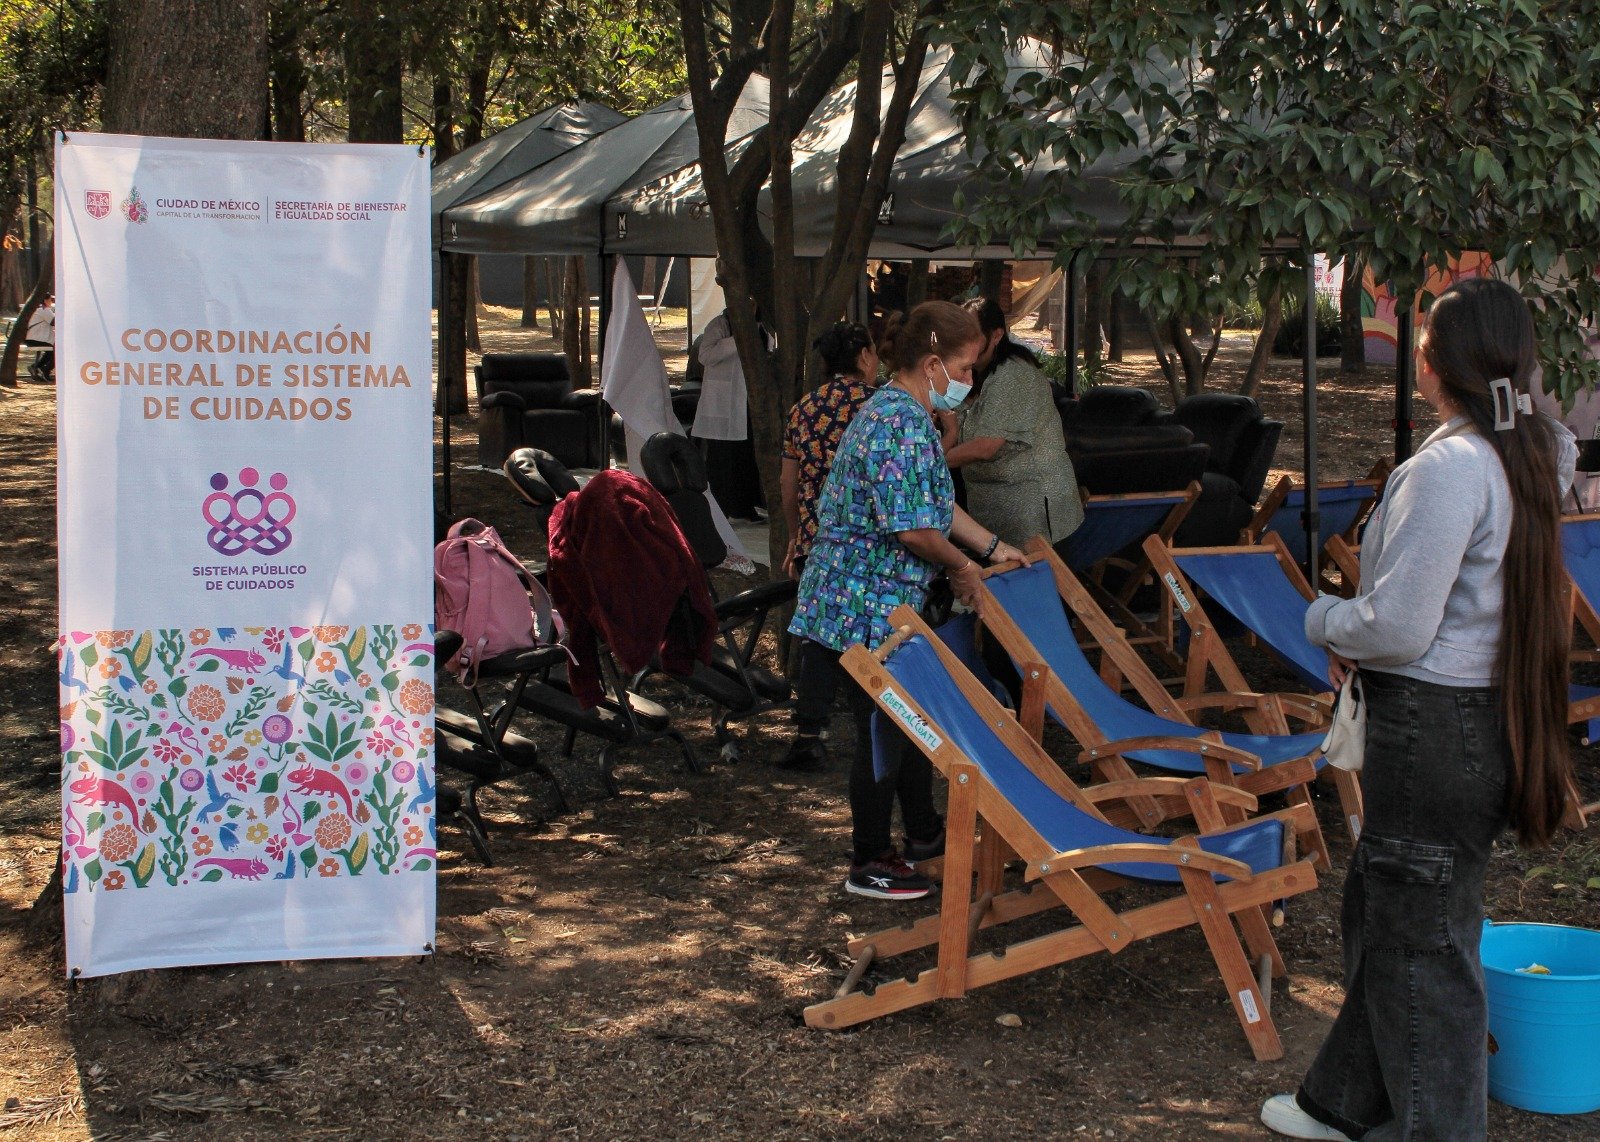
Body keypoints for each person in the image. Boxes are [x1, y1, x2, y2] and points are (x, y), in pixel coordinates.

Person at [1261, 278, 1578, 1141]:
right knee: (1391, 907)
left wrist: (1323, 616)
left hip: (1433, 726)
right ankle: (1343, 1101)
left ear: (1434, 363)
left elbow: (1397, 627)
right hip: (1489, 719)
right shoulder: (1542, 448)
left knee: (1422, 945)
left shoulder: (1448, 468)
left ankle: (1440, 1130)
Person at [788, 301, 1029, 900]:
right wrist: (967, 568)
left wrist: (995, 549)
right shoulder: (898, 421)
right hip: (858, 605)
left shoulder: (907, 415)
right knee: (884, 732)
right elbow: (913, 530)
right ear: (932, 364)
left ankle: (923, 838)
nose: (970, 383)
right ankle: (869, 859)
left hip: (874, 601)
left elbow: (936, 508)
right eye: (967, 369)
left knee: (909, 723)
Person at [776, 321, 880, 772]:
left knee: (820, 636)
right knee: (877, 631)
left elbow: (788, 482)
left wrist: (798, 532)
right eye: (874, 352)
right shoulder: (882, 409)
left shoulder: (803, 409)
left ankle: (808, 733)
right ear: (861, 355)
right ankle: (876, 729)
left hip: (821, 537)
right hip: (872, 539)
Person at [939, 298, 1082, 551]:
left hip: (1032, 514)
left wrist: (929, 465)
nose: (962, 340)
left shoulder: (1014, 375)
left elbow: (986, 446)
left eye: (971, 333)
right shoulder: (976, 373)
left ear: (996, 335)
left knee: (1035, 587)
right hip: (995, 514)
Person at [25, 294, 54, 382]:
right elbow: (54, 322)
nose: (51, 302)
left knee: (52, 351)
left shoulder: (37, 309)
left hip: (32, 338)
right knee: (58, 350)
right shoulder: (44, 309)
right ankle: (45, 370)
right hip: (37, 339)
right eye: (50, 300)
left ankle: (36, 367)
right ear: (45, 300)